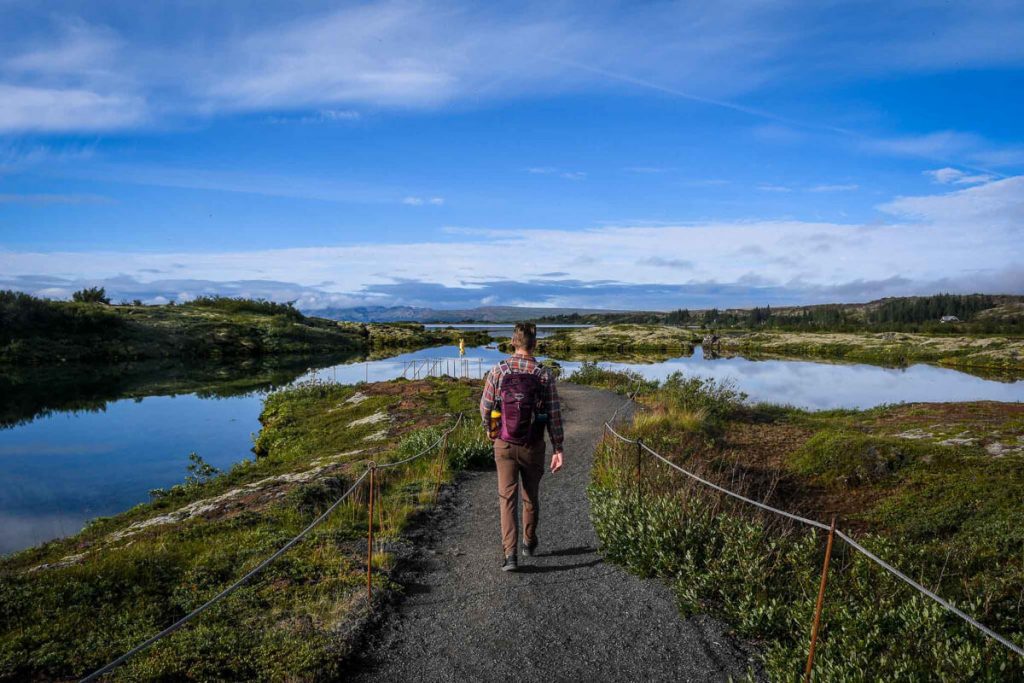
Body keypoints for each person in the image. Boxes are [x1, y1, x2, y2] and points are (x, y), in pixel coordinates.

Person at [479, 322, 564, 571]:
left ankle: (510, 555)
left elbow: (485, 407)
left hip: (503, 443)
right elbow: (554, 414)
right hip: (533, 445)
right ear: (534, 344)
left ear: (513, 342)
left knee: (507, 498)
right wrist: (558, 448)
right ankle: (529, 542)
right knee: (530, 496)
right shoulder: (544, 374)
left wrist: (490, 430)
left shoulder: (498, 370)